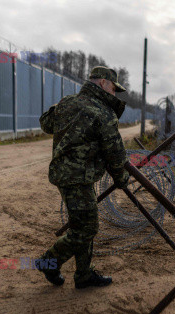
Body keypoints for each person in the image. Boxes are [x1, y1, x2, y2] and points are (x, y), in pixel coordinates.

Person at [37, 66, 130, 289]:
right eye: (113, 88)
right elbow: (115, 153)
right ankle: (49, 262)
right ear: (102, 84)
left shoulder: (67, 102)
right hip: (78, 178)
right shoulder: (104, 113)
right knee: (86, 228)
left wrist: (59, 108)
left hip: (64, 174)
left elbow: (46, 124)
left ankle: (84, 274)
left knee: (82, 224)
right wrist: (121, 178)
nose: (114, 94)